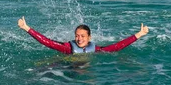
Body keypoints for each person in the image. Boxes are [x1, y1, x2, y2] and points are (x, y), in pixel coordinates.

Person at [17, 16, 149, 54]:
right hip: (67, 67)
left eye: (82, 36)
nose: (79, 39)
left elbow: (116, 47)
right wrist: (26, 28)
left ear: (89, 37)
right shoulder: (68, 48)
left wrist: (139, 34)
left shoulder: (95, 49)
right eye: (77, 36)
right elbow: (47, 42)